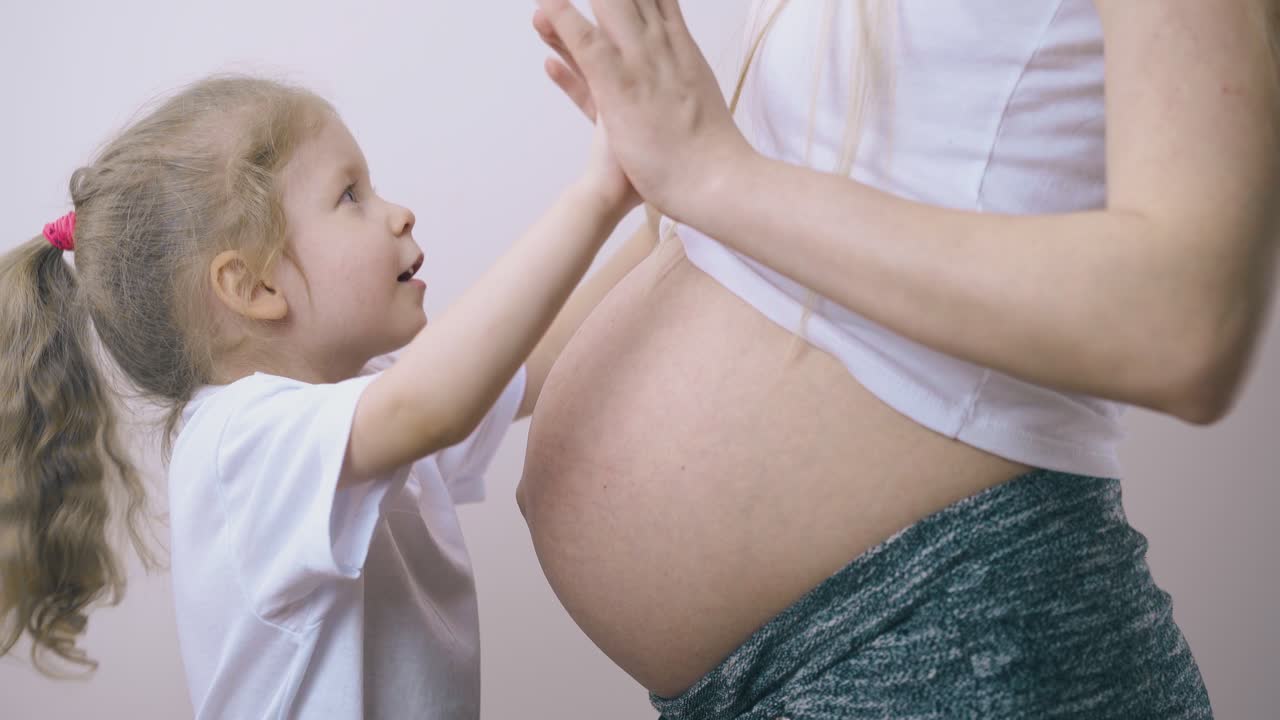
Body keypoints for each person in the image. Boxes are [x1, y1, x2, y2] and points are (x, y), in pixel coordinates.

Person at [519, 1, 1278, 717]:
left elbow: (1187, 322)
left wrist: (713, 175)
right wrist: (437, 394)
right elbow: (725, 235)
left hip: (960, 643)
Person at [0, 73, 651, 719]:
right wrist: (592, 197)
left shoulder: (363, 402)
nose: (399, 213)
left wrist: (660, 210)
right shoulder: (238, 446)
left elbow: (535, 357)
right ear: (253, 286)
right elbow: (432, 404)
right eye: (351, 195)